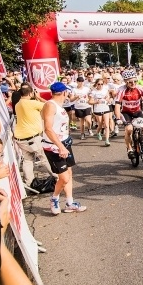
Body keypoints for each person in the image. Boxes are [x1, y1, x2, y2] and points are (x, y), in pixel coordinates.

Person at [42, 81, 87, 215]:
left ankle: (69, 202)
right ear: (64, 92)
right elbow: (48, 129)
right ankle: (54, 198)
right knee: (64, 178)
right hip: (54, 147)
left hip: (64, 143)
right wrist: (60, 147)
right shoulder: (50, 105)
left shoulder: (59, 105)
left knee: (69, 174)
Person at [13, 85, 56, 186]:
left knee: (28, 160)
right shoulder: (32, 103)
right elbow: (50, 106)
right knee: (44, 157)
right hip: (32, 137)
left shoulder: (18, 104)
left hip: (20, 138)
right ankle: (57, 176)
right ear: (30, 93)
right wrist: (38, 97)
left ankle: (29, 182)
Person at [115, 69, 143, 161]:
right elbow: (117, 105)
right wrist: (118, 117)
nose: (133, 83)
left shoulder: (140, 88)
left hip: (137, 111)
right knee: (129, 129)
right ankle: (130, 149)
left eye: (135, 81)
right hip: (126, 112)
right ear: (125, 82)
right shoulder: (121, 90)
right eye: (130, 82)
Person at [88, 78, 113, 146]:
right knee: (100, 124)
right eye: (99, 84)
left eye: (102, 84)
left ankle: (107, 140)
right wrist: (96, 101)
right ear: (96, 84)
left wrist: (108, 99)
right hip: (98, 109)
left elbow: (109, 97)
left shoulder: (105, 90)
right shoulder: (93, 92)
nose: (100, 85)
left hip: (105, 108)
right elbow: (89, 102)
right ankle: (98, 132)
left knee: (106, 125)